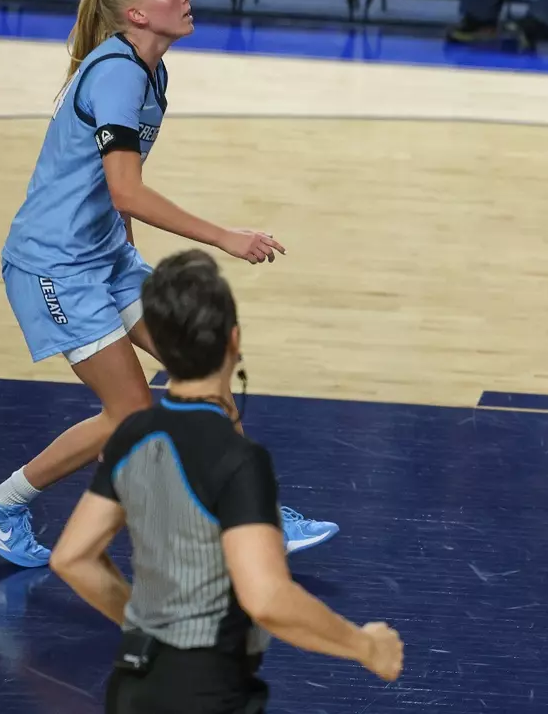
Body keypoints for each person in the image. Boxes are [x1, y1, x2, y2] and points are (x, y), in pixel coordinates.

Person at [0, 0, 338, 569]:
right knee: (129, 415)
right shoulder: (117, 73)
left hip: (103, 258)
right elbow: (125, 189)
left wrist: (126, 261)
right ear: (136, 13)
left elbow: (112, 187)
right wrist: (223, 237)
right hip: (54, 268)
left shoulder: (149, 70)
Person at [50, 251, 404, 713]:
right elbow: (267, 597)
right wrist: (363, 645)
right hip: (209, 694)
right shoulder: (239, 459)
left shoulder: (132, 436)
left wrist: (145, 628)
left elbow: (72, 558)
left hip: (133, 687)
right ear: (233, 340)